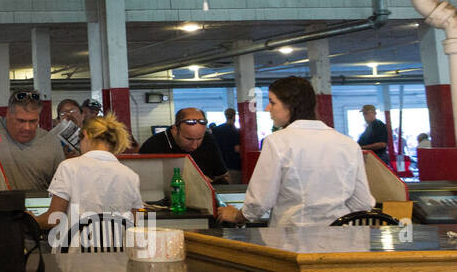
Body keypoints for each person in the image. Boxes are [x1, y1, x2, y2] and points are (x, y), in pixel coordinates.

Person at [218, 77, 374, 229]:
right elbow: (362, 203)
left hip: (293, 240)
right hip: (341, 242)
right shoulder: (349, 145)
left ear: (290, 105)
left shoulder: (277, 142)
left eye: (272, 102)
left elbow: (259, 201)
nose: (267, 108)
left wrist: (236, 216)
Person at [35, 113, 143, 245]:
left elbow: (53, 219)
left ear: (85, 135)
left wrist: (30, 219)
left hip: (76, 256)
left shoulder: (69, 167)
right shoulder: (131, 175)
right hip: (117, 258)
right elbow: (134, 224)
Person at [0, 92, 66, 191]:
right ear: (8, 115)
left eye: (33, 121)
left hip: (36, 205)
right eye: (21, 121)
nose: (27, 128)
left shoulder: (51, 142)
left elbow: (63, 188)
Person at [138, 107, 228, 183]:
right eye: (188, 139)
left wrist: (208, 183)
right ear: (175, 130)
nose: (194, 146)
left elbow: (222, 176)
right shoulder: (153, 146)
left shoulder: (208, 140)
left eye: (199, 139)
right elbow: (144, 183)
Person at [211, 107, 243, 181]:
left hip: (219, 166)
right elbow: (237, 149)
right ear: (234, 116)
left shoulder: (216, 130)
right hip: (233, 166)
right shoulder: (235, 131)